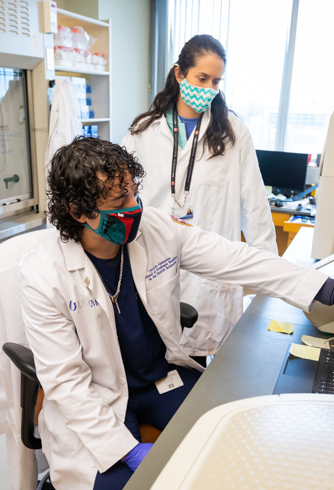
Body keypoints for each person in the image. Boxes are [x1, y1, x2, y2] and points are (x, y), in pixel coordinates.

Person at [20, 136, 334, 490]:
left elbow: (236, 260)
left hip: (161, 378)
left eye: (134, 195)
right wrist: (127, 450)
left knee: (232, 447)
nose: (134, 210)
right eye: (118, 205)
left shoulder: (153, 229)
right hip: (98, 400)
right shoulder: (44, 277)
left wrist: (333, 291)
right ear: (78, 211)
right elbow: (66, 383)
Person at [121, 34, 277, 365]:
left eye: (216, 81)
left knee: (209, 373)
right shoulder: (143, 132)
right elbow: (121, 197)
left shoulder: (233, 132)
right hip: (156, 263)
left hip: (212, 274)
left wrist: (270, 272)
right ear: (179, 74)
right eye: (201, 78)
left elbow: (255, 205)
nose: (208, 88)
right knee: (157, 359)